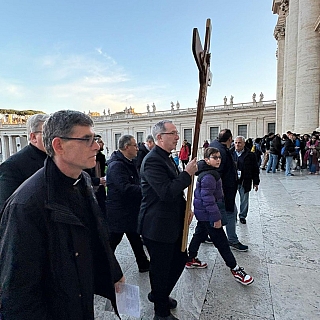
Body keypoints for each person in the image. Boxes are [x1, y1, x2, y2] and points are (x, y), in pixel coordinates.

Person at [0, 110, 124, 319]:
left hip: (77, 296)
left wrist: (113, 272)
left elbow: (94, 233)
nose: (96, 146)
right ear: (58, 145)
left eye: (95, 138)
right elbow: (17, 290)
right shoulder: (25, 205)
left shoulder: (82, 179)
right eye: (86, 139)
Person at [138, 120, 197, 320]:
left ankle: (159, 295)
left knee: (179, 260)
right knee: (161, 269)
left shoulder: (166, 157)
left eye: (177, 133)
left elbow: (174, 189)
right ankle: (160, 312)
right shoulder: (153, 160)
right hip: (157, 226)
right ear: (160, 137)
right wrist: (187, 174)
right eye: (173, 133)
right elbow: (166, 192)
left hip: (171, 222)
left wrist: (186, 209)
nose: (177, 137)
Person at [185, 147, 254, 286]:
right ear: (207, 160)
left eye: (219, 157)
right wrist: (216, 218)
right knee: (222, 242)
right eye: (214, 157)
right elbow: (208, 199)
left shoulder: (208, 173)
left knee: (199, 234)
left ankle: (190, 258)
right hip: (208, 214)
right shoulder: (209, 176)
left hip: (203, 213)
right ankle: (235, 269)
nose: (218, 160)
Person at [106, 134, 150, 273]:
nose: (137, 148)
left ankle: (143, 264)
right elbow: (124, 188)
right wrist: (146, 189)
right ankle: (102, 267)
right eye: (135, 145)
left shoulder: (128, 162)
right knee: (112, 242)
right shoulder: (117, 165)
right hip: (119, 212)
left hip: (129, 210)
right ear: (126, 147)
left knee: (135, 238)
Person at [0, 113, 49, 209]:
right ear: (33, 137)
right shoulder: (11, 166)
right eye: (48, 133)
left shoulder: (58, 158)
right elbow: (5, 208)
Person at [210, 129, 248, 251]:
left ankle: (204, 235)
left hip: (220, 190)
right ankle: (232, 240)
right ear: (230, 139)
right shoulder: (222, 152)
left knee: (209, 214)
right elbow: (218, 173)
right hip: (225, 191)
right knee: (231, 213)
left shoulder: (214, 145)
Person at [230, 136, 260, 224]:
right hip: (232, 180)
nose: (237, 144)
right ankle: (233, 215)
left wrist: (256, 182)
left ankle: (242, 216)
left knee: (244, 200)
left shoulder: (250, 155)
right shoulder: (230, 153)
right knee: (231, 199)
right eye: (235, 142)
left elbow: (255, 169)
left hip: (245, 180)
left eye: (239, 143)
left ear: (244, 143)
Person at [84, 135, 107, 215]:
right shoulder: (86, 159)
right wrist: (98, 180)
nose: (103, 144)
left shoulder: (101, 157)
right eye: (100, 142)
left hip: (100, 188)